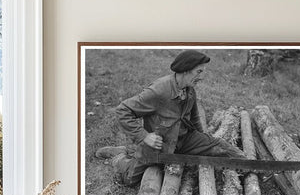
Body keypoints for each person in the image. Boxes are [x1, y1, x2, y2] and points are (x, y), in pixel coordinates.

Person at [96, 50, 246, 186]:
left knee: (218, 146)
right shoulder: (158, 91)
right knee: (130, 180)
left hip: (184, 139)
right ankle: (120, 156)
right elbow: (123, 110)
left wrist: (203, 140)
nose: (201, 77)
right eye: (198, 72)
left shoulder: (189, 90)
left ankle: (252, 165)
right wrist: (144, 136)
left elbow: (193, 118)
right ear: (186, 71)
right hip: (159, 146)